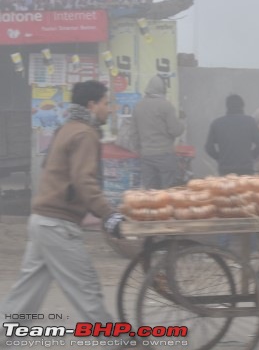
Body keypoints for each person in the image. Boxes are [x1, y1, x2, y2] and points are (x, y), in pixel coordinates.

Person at [0, 81, 124, 345]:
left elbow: (53, 169)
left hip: (41, 221)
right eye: (106, 103)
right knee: (86, 289)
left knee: (25, 295)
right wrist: (108, 213)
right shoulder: (85, 133)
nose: (110, 109)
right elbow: (83, 180)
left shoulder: (66, 128)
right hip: (58, 225)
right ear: (92, 105)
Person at [130, 75, 185, 189]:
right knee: (169, 191)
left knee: (151, 194)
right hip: (165, 155)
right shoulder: (166, 105)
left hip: (146, 156)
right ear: (162, 89)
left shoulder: (138, 106)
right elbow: (175, 131)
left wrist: (140, 150)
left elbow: (133, 134)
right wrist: (182, 125)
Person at [205, 94, 259, 176]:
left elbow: (209, 148)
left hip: (225, 170)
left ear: (227, 107)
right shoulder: (250, 122)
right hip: (246, 169)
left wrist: (220, 158)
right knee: (246, 189)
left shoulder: (217, 124)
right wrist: (251, 157)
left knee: (226, 188)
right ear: (242, 106)